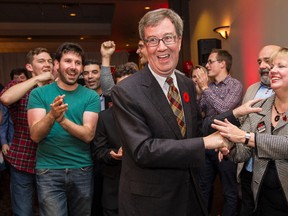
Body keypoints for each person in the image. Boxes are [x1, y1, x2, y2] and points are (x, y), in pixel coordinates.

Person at [110, 8, 242, 216]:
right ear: (144, 47)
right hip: (150, 204)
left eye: (168, 38)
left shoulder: (187, 84)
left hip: (189, 195)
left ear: (179, 42)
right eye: (152, 40)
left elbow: (194, 130)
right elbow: (144, 150)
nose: (161, 47)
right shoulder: (126, 91)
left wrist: (229, 122)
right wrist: (206, 143)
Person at [212, 47, 288, 216]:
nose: (272, 70)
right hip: (262, 195)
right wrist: (229, 147)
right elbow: (243, 151)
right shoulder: (260, 106)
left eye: (280, 66)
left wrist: (245, 137)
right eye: (272, 66)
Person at [27, 42, 100, 216]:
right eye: (68, 61)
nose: (73, 67)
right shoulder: (38, 94)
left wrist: (62, 120)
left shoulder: (91, 96)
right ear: (57, 64)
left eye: (78, 62)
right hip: (48, 170)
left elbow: (88, 135)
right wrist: (52, 115)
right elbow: (35, 135)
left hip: (82, 169)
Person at [0, 47, 54, 216]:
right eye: (41, 61)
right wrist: (37, 79)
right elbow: (5, 98)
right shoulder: (19, 84)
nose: (47, 65)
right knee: (23, 211)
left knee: (53, 210)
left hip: (53, 161)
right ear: (29, 67)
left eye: (49, 61)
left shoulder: (58, 87)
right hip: (23, 159)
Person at [196, 49, 243, 216]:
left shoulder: (235, 85)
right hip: (207, 144)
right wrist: (199, 92)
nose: (207, 65)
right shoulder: (209, 87)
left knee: (229, 191)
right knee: (203, 188)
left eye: (210, 61)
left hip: (225, 145)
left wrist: (204, 88)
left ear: (222, 63)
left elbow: (225, 109)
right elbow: (200, 111)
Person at [237, 44, 280, 216]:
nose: (262, 65)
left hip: (275, 174)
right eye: (259, 61)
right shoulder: (252, 89)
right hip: (249, 167)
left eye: (267, 61)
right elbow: (244, 123)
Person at [93, 63, 137, 216]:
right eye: (121, 86)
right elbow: (98, 151)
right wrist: (112, 154)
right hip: (114, 190)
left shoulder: (150, 112)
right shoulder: (105, 117)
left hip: (145, 190)